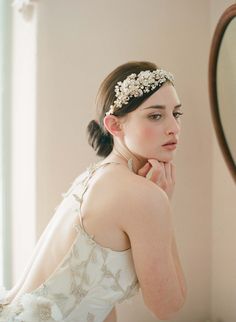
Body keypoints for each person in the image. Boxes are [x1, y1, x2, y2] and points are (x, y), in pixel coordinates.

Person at [0, 61, 187, 321]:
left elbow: (98, 300)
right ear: (114, 125)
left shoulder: (94, 176)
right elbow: (168, 305)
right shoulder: (143, 196)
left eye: (176, 114)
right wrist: (164, 204)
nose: (174, 128)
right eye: (155, 115)